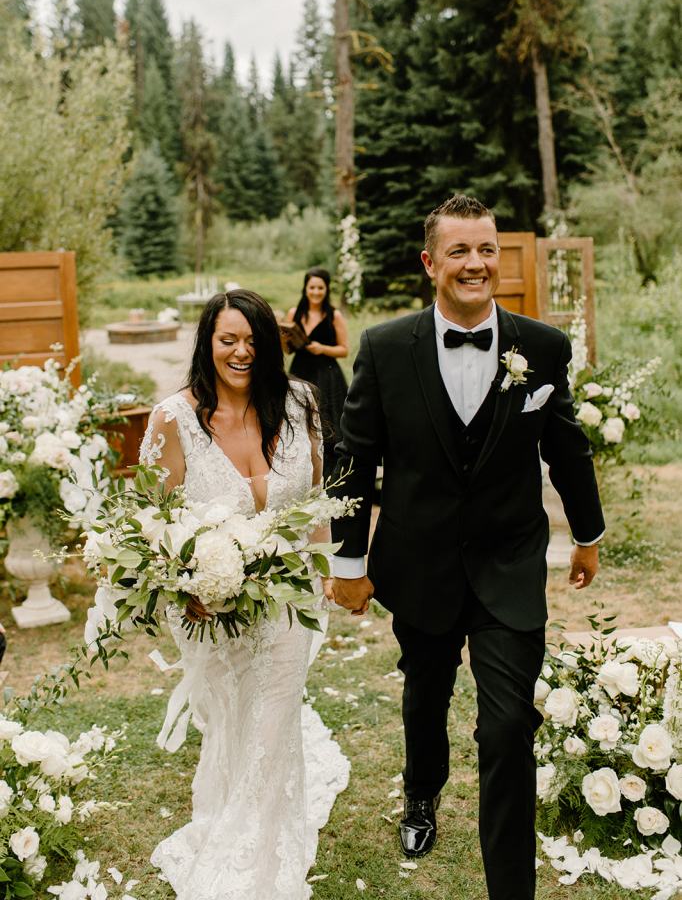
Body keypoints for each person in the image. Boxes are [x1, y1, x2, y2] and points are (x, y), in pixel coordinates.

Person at [327, 196, 604, 900]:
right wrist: (349, 563)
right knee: (426, 694)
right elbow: (355, 459)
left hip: (510, 566)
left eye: (487, 250)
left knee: (508, 726)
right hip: (419, 565)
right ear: (431, 263)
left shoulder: (542, 347)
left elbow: (566, 446)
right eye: (459, 251)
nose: (476, 263)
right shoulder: (387, 348)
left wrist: (587, 534)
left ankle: (510, 889)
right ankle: (421, 794)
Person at [139, 288, 349, 900]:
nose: (241, 352)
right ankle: (230, 814)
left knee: (272, 720)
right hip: (213, 607)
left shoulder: (301, 404)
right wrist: (186, 589)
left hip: (288, 601)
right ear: (208, 343)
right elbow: (153, 527)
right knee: (231, 720)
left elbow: (312, 502)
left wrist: (324, 570)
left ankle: (251, 851)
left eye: (253, 342)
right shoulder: (171, 420)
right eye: (228, 340)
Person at [286, 267, 349, 482]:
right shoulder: (295, 313)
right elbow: (287, 347)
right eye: (312, 287)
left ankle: (329, 471)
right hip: (300, 371)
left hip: (327, 374)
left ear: (326, 289)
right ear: (305, 288)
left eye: (320, 287)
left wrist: (322, 348)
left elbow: (344, 349)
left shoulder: (334, 315)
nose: (315, 291)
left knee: (326, 421)